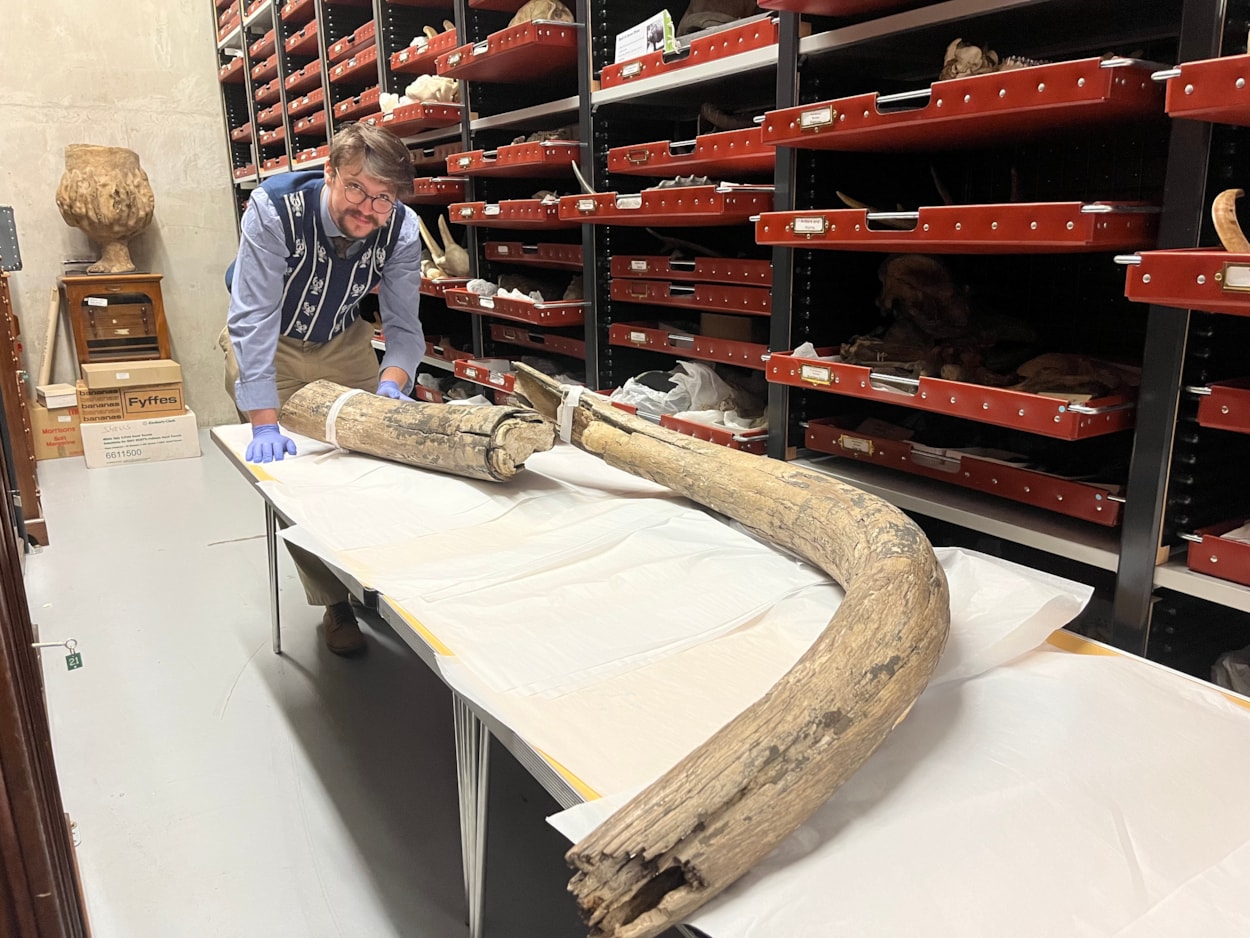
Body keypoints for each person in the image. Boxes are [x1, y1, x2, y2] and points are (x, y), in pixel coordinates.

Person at [221, 122, 425, 656]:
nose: (368, 207)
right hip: (274, 339)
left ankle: (378, 579)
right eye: (356, 187)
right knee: (298, 478)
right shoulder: (273, 209)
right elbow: (254, 318)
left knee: (373, 458)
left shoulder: (401, 229)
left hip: (342, 337)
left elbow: (404, 328)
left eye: (383, 197)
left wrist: (392, 382)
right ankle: (335, 603)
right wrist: (264, 419)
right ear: (330, 172)